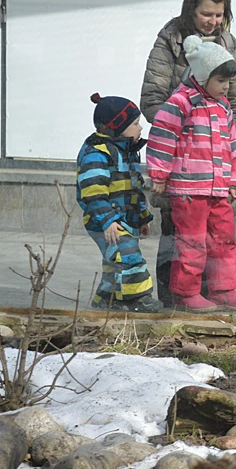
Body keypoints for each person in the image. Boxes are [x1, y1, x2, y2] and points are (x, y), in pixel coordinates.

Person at [140, 0, 236, 305]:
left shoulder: (227, 43)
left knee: (219, 233)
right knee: (180, 234)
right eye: (206, 14)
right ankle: (175, 299)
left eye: (218, 15)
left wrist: (235, 140)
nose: (212, 21)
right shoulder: (171, 40)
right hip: (185, 164)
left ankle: (217, 293)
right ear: (191, 10)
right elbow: (152, 99)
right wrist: (190, 131)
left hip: (218, 155)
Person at [76, 93, 163, 313]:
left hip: (125, 219)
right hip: (104, 221)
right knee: (129, 256)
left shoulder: (127, 151)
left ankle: (106, 298)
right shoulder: (97, 153)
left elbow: (136, 188)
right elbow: (93, 193)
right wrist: (107, 221)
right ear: (116, 126)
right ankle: (137, 299)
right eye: (135, 124)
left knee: (115, 260)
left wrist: (142, 217)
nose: (141, 128)